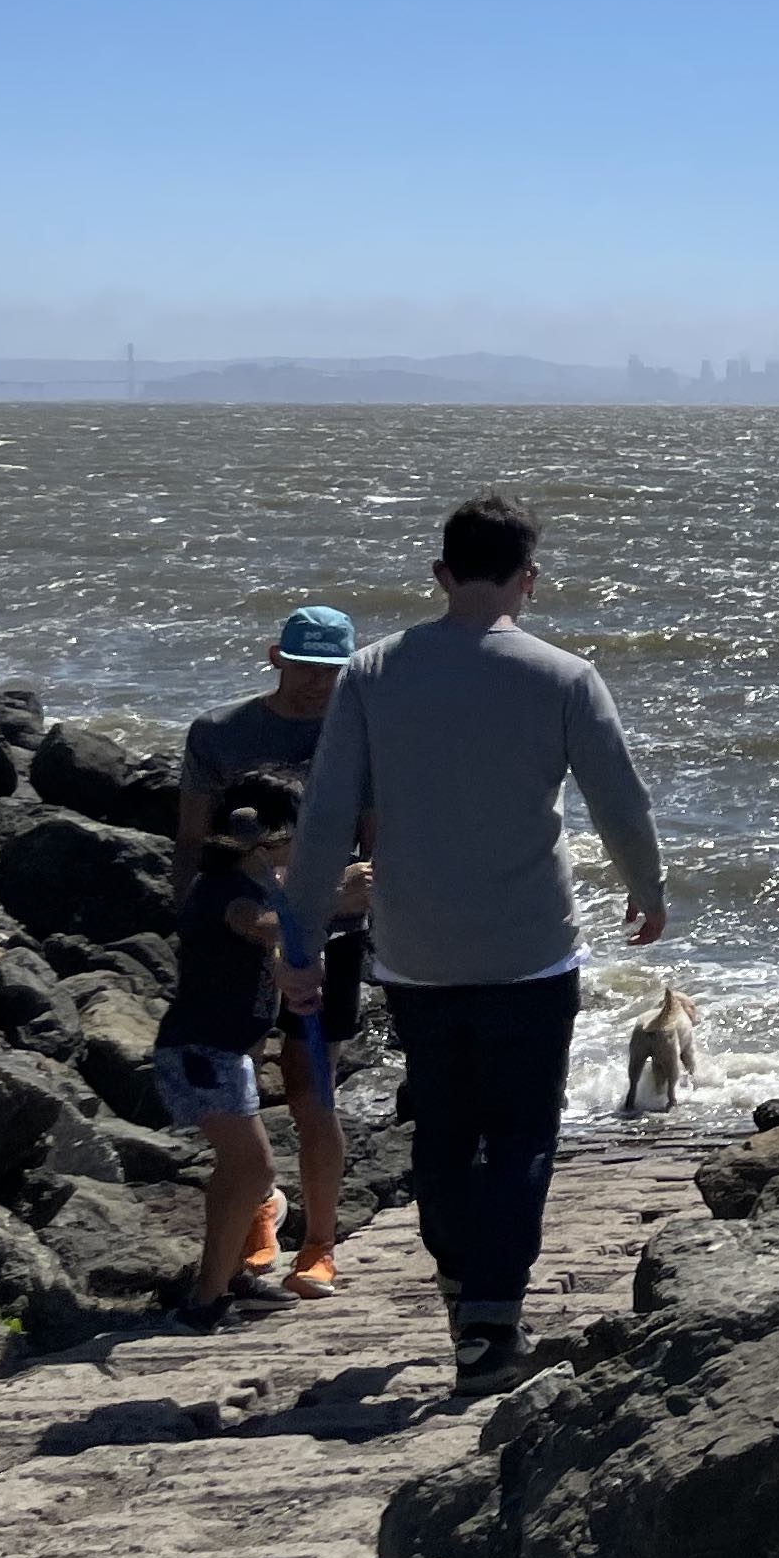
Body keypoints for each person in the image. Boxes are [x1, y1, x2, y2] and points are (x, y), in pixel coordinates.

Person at [281, 494, 667, 1396]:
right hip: (531, 947)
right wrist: (647, 893)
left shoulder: (372, 674)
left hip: (417, 952)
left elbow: (325, 819)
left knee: (445, 1133)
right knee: (525, 1133)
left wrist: (298, 940)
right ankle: (492, 1314)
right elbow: (622, 801)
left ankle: (464, 1289)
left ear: (440, 575)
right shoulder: (565, 677)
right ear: (528, 580)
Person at [177, 604, 371, 1298]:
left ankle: (319, 1245)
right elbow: (195, 843)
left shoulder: (361, 733)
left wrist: (369, 905)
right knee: (236, 1086)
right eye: (305, 667)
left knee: (311, 1087)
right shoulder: (222, 734)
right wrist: (190, 927)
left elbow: (373, 847)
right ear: (274, 657)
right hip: (236, 937)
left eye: (332, 671)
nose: (317, 684)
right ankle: (259, 1210)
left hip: (332, 936)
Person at [159, 785, 303, 1329]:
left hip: (225, 1051)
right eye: (294, 831)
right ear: (261, 843)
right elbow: (258, 925)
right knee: (250, 1167)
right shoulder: (225, 890)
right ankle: (207, 1297)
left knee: (246, 1171)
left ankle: (229, 1275)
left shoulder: (251, 884)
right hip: (201, 1051)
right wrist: (332, 901)